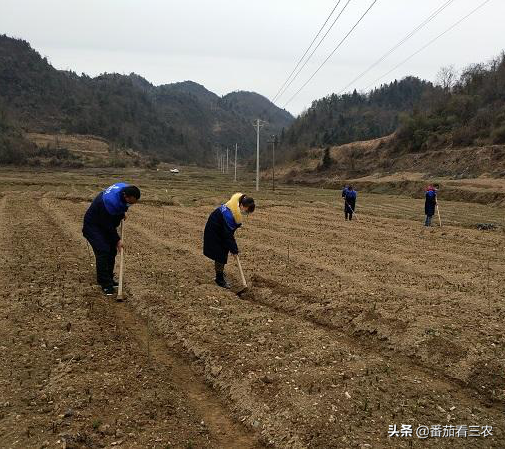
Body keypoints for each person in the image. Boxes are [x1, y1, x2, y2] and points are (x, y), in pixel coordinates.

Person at [83, 183, 141, 295]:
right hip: (93, 226)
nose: (130, 205)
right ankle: (104, 283)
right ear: (125, 196)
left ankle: (109, 278)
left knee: (111, 251)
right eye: (130, 202)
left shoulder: (123, 187)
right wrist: (118, 240)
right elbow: (108, 226)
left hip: (104, 219)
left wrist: (120, 213)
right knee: (103, 251)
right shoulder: (110, 203)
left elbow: (120, 207)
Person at [203, 193, 255, 289]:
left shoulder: (235, 204)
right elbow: (228, 236)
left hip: (220, 228)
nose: (246, 213)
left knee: (224, 250)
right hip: (214, 231)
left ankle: (220, 273)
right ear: (242, 205)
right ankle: (219, 279)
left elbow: (229, 231)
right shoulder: (229, 215)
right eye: (246, 211)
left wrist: (232, 247)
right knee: (220, 254)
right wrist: (234, 250)